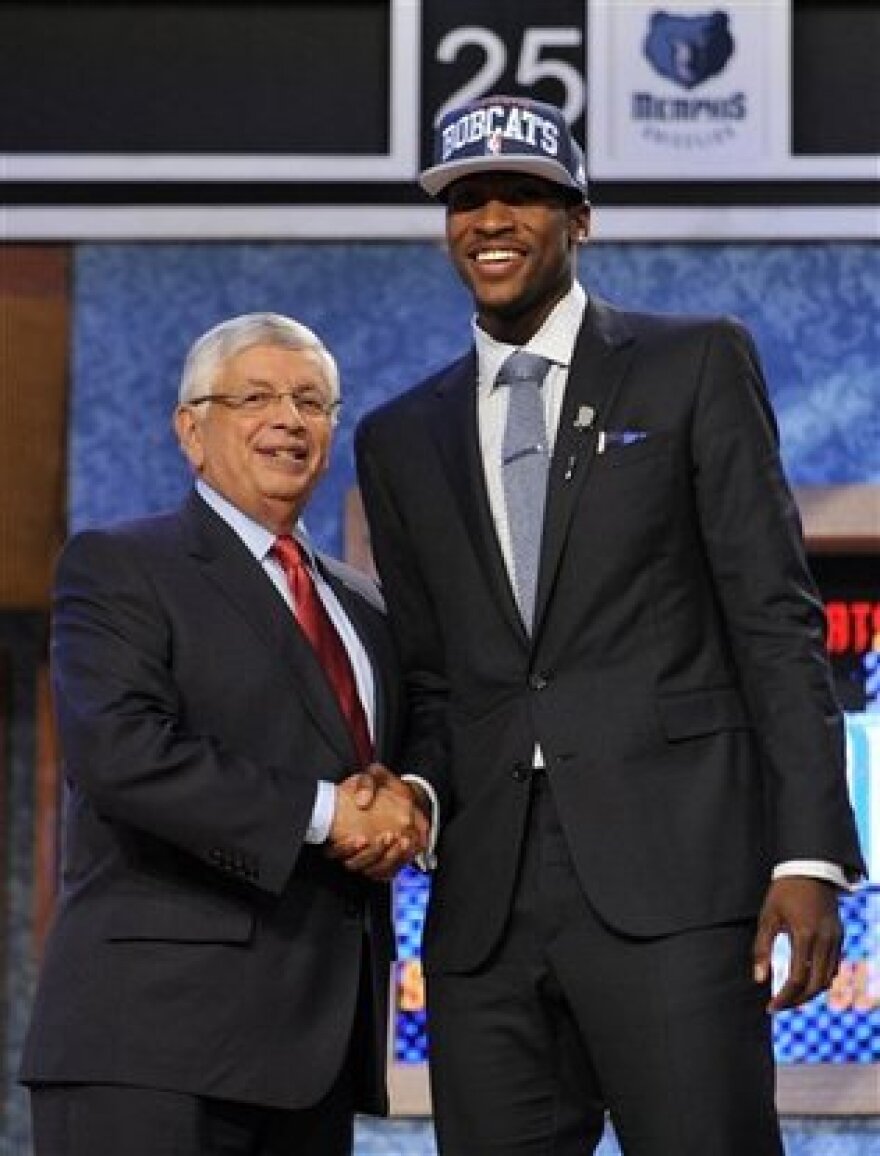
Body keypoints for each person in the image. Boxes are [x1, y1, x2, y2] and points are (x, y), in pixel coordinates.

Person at [354, 95, 865, 1155]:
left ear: (578, 218)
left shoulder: (692, 364)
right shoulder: (398, 437)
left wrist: (809, 854)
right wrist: (414, 794)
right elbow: (432, 677)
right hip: (483, 915)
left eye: (522, 195)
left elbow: (772, 617)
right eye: (464, 200)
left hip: (675, 884)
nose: (489, 220)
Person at [20, 312, 427, 1156]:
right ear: (191, 430)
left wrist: (412, 805)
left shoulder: (367, 607)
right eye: (256, 397)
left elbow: (402, 760)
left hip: (313, 1053)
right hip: (152, 1047)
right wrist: (326, 814)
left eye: (312, 402)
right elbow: (122, 753)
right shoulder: (122, 565)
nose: (289, 418)